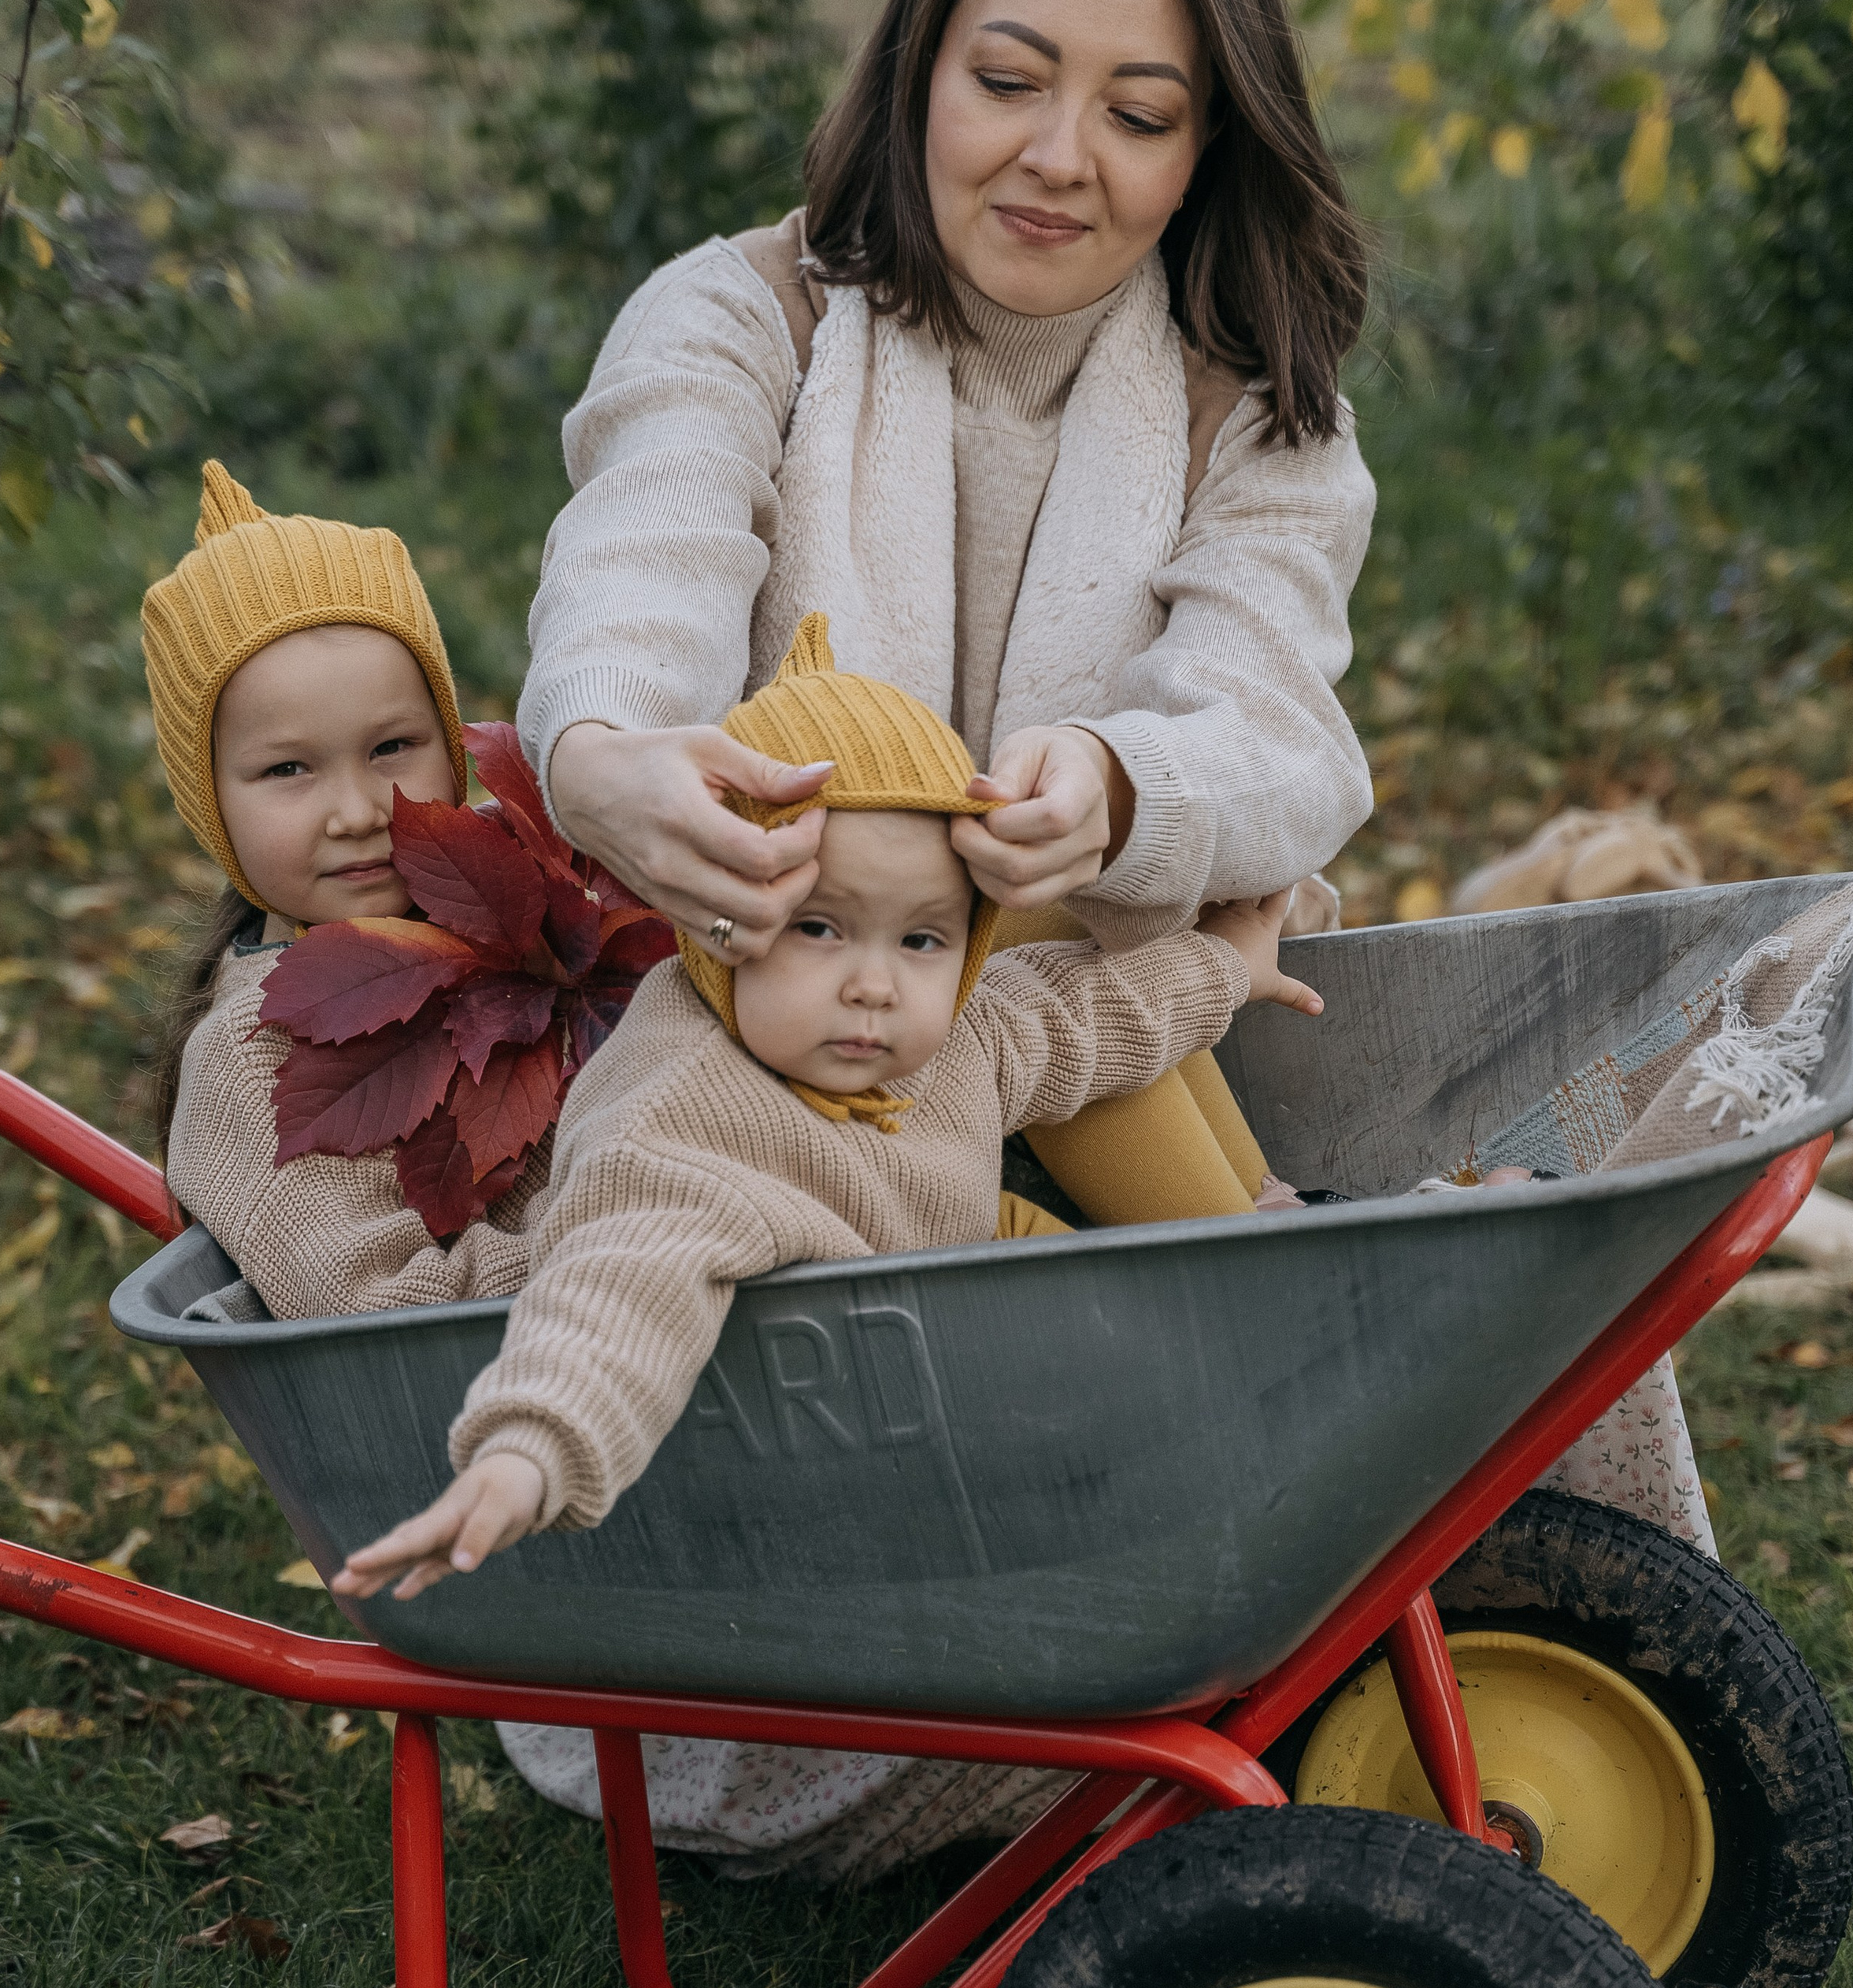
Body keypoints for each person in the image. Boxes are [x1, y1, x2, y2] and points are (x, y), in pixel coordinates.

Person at [332, 619, 1324, 1879]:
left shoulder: (950, 1035)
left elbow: (1076, 1020)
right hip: (783, 1495)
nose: (874, 986)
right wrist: (530, 1453)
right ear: (720, 921)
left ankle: (1203, 1553)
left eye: (920, 939)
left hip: (927, 1397)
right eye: (819, 930)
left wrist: (1224, 973)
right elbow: (617, 1286)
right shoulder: (685, 1114)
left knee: (1077, 1268)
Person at [522, 0, 1375, 1194]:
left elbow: (1273, 734)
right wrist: (607, 748)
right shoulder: (746, 316)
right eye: (1006, 83)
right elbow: (648, 552)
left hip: (1127, 1038)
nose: (1057, 156)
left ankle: (1251, 1261)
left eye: (1138, 117)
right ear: (920, 74)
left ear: (1207, 148)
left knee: (1052, 925)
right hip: (783, 1032)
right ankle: (1261, 1264)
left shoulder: (1256, 417)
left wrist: (1116, 786)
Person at [146, 462, 562, 1309]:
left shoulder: (521, 899)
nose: (357, 810)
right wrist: (627, 1232)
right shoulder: (250, 1064)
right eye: (288, 769)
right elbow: (376, 1308)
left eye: (391, 748)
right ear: (209, 801)